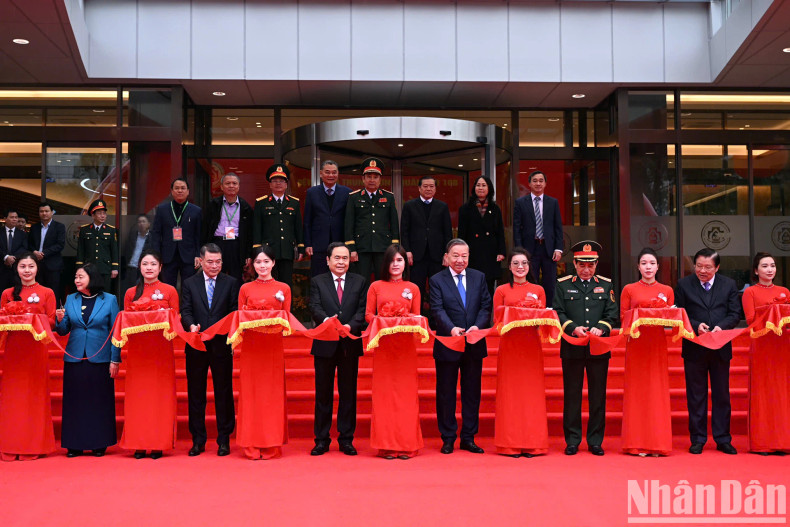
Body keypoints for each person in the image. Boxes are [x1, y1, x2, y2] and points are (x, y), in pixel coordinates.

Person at [554, 241, 618, 457]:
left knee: (597, 396)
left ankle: (595, 441)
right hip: (572, 347)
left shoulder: (606, 285)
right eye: (582, 264)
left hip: (598, 347)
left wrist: (601, 328)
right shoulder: (562, 284)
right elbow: (558, 312)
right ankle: (572, 440)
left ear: (596, 264)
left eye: (590, 265)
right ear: (574, 263)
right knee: (572, 395)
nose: (586, 269)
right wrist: (572, 328)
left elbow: (612, 314)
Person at [675, 248, 741, 456]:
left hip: (721, 347)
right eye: (699, 266)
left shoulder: (729, 284)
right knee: (696, 395)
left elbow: (735, 313)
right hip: (695, 347)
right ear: (694, 265)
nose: (703, 271)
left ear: (717, 267)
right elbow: (679, 313)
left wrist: (721, 326)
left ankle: (723, 438)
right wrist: (696, 325)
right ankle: (698, 439)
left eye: (708, 267)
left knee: (722, 394)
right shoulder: (683, 284)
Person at [429, 239, 492, 454]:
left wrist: (477, 326)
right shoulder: (437, 280)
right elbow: (436, 309)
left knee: (472, 392)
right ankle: (448, 437)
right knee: (446, 393)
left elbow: (486, 306)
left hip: (474, 343)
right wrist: (451, 328)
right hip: (448, 343)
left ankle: (468, 437)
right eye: (455, 255)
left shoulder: (479, 277)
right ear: (446, 257)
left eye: (464, 256)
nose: (460, 260)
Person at [54, 262, 120, 457]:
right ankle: (75, 444)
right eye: (75, 277)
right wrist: (59, 319)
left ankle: (99, 443)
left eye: (81, 277)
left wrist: (115, 359)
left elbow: (116, 330)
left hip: (100, 357)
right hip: (75, 358)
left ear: (92, 277)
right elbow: (64, 330)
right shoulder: (71, 299)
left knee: (98, 402)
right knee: (75, 402)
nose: (76, 280)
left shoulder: (109, 300)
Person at [181, 243, 240, 457]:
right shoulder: (189, 283)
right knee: (196, 393)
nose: (214, 266)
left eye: (218, 262)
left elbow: (235, 310)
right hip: (196, 344)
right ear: (201, 261)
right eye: (210, 262)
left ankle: (224, 439)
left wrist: (224, 329)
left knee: (223, 392)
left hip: (221, 346)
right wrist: (190, 325)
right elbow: (185, 310)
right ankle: (198, 439)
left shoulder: (231, 282)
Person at [365, 244, 424, 459]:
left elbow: (417, 316)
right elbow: (369, 315)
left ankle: (406, 444)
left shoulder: (413, 288)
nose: (396, 264)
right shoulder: (376, 287)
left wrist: (403, 318)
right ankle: (386, 445)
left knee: (406, 395)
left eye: (399, 260)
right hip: (384, 345)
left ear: (405, 263)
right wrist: (385, 319)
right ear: (386, 263)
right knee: (385, 395)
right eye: (392, 260)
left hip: (406, 347)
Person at [308, 242, 367, 456]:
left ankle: (346, 439)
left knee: (348, 393)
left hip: (349, 343)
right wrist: (327, 322)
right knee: (323, 394)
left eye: (345, 258)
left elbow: (362, 309)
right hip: (324, 343)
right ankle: (321, 439)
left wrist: (351, 325)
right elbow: (313, 306)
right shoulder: (317, 281)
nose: (341, 262)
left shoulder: (359, 281)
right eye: (337, 258)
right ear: (328, 260)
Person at [120, 250, 179, 459]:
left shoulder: (170, 290)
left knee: (159, 397)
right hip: (138, 352)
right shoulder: (130, 293)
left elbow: (176, 320)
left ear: (160, 267)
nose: (149, 268)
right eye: (145, 264)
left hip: (161, 351)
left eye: (153, 264)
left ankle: (157, 443)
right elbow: (125, 321)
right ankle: (138, 442)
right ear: (140, 266)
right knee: (139, 397)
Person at [492, 249, 549, 458]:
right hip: (510, 346)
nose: (520, 267)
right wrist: (517, 311)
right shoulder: (502, 291)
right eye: (515, 263)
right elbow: (498, 319)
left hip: (531, 346)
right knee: (511, 394)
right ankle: (510, 443)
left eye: (524, 263)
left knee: (530, 394)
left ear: (529, 266)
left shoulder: (539, 290)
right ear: (509, 267)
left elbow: (543, 319)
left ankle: (533, 443)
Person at [236, 245, 291, 460]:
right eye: (258, 262)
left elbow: (286, 316)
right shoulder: (245, 289)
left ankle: (271, 443)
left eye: (266, 262)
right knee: (251, 393)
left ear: (274, 263)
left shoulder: (284, 288)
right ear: (252, 264)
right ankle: (251, 443)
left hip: (272, 346)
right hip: (251, 347)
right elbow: (239, 317)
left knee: (271, 394)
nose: (262, 266)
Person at [0, 253, 57, 461]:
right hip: (14, 350)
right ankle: (11, 444)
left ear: (37, 269)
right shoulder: (8, 293)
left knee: (34, 396)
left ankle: (33, 444)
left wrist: (31, 319)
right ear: (16, 269)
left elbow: (51, 322)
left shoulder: (47, 292)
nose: (26, 270)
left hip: (35, 349)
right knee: (14, 397)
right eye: (22, 266)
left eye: (30, 266)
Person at [619, 247, 674, 456]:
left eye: (652, 263)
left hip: (657, 344)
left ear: (658, 266)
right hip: (636, 343)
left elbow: (670, 317)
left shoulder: (667, 290)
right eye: (644, 263)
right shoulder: (629, 289)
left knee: (656, 391)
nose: (648, 267)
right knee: (637, 391)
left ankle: (657, 442)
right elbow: (624, 317)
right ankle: (637, 442)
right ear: (638, 266)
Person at [742, 252, 790, 455]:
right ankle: (762, 442)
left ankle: (783, 441)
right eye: (764, 266)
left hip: (781, 345)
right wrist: (772, 310)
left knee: (782, 393)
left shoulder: (784, 291)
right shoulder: (750, 292)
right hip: (761, 345)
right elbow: (751, 319)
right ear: (756, 270)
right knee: (763, 392)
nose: (770, 269)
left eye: (772, 265)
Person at [400, 176, 453, 314]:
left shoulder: (442, 206)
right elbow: (404, 231)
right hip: (417, 256)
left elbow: (448, 232)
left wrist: (447, 253)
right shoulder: (410, 205)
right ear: (419, 188)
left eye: (431, 186)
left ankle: (438, 319)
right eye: (425, 186)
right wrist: (407, 250)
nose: (428, 189)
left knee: (438, 288)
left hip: (437, 255)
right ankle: (417, 317)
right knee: (417, 288)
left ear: (435, 189)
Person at [344, 157, 399, 283]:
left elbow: (394, 224)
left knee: (383, 280)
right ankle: (363, 304)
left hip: (383, 247)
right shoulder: (354, 197)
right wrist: (351, 249)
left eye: (375, 177)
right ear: (363, 179)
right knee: (361, 281)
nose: (372, 180)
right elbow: (348, 224)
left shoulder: (388, 197)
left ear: (380, 179)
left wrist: (394, 248)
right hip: (361, 247)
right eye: (369, 176)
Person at [513, 171, 564, 306]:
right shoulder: (520, 203)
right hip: (529, 250)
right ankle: (532, 312)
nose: (538, 183)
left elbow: (558, 227)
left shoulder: (552, 202)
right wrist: (519, 251)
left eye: (541, 181)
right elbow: (517, 228)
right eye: (535, 181)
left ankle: (549, 313)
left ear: (545, 184)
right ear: (529, 183)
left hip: (549, 249)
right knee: (531, 283)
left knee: (550, 284)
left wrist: (559, 248)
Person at [252, 164, 305, 287]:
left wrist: (301, 247)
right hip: (267, 252)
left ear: (286, 184)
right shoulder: (261, 202)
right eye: (274, 181)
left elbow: (298, 227)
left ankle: (286, 307)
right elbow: (257, 228)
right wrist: (256, 250)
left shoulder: (294, 202)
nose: (278, 184)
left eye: (281, 181)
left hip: (287, 250)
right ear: (270, 184)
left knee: (286, 285)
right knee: (267, 284)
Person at [457, 176, 506, 297]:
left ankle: (488, 315)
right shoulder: (465, 208)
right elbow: (461, 234)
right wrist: (461, 253)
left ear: (489, 188)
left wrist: (501, 251)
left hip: (490, 253)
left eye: (484, 185)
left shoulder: (495, 209)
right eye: (478, 185)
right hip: (472, 252)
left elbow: (500, 232)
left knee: (489, 287)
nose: (481, 188)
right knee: (472, 286)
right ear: (474, 188)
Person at [150, 178, 202, 288]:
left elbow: (198, 235)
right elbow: (156, 233)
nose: (180, 191)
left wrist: (198, 255)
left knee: (189, 287)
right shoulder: (162, 209)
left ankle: (186, 306)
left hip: (189, 256)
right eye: (177, 188)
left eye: (183, 188)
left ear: (188, 191)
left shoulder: (196, 211)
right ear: (172, 191)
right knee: (167, 287)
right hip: (167, 256)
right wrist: (156, 256)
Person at [304, 160, 350, 277]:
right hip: (318, 244)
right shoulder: (312, 192)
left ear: (338, 174)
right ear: (321, 173)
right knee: (318, 276)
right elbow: (307, 220)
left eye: (334, 172)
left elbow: (350, 220)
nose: (331, 175)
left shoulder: (347, 192)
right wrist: (308, 243)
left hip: (340, 243)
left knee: (339, 276)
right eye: (327, 172)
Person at [203, 173, 253, 282]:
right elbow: (205, 228)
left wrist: (248, 254)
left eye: (234, 183)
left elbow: (249, 233)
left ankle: (234, 299)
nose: (231, 186)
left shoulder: (246, 207)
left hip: (236, 245)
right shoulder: (213, 204)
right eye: (228, 183)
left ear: (239, 186)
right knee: (215, 275)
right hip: (217, 244)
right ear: (221, 187)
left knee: (235, 277)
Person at [76, 199, 119, 291]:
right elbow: (80, 250)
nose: (102, 216)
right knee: (89, 291)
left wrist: (115, 267)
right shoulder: (84, 230)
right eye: (99, 213)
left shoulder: (111, 230)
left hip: (105, 268)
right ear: (93, 215)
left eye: (104, 213)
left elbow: (114, 250)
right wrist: (79, 268)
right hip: (89, 268)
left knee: (105, 293)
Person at [28, 202, 66, 305]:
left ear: (52, 212)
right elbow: (29, 244)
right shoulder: (34, 227)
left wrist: (44, 253)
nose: (44, 213)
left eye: (46, 211)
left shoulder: (59, 227)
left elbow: (60, 245)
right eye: (41, 211)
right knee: (36, 292)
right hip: (37, 264)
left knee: (53, 292)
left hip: (52, 265)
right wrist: (34, 252)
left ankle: (53, 317)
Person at [1, 208, 28, 293]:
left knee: (15, 293)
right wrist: (5, 257)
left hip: (16, 269)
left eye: (16, 217)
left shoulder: (22, 234)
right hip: (1, 267)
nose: (14, 219)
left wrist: (13, 258)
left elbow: (24, 248)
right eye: (12, 217)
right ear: (5, 218)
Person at [122, 214, 151, 291]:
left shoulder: (152, 238)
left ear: (148, 224)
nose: (141, 224)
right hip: (130, 268)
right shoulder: (132, 236)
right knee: (129, 291)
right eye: (139, 222)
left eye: (143, 222)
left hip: (143, 270)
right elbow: (126, 251)